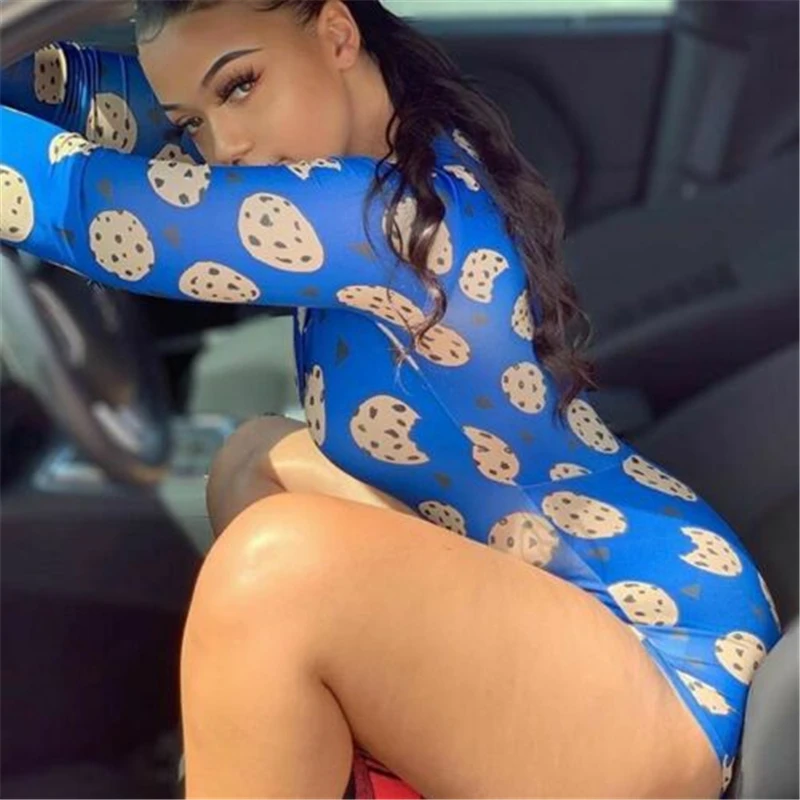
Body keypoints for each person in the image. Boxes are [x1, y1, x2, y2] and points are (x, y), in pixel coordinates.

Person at [0, 1, 782, 797]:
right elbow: (109, 101)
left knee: (272, 572)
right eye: (193, 123)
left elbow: (93, 215)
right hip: (583, 595)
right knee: (254, 461)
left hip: (661, 661)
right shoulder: (401, 148)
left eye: (239, 87)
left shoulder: (380, 216)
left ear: (338, 35)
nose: (224, 146)